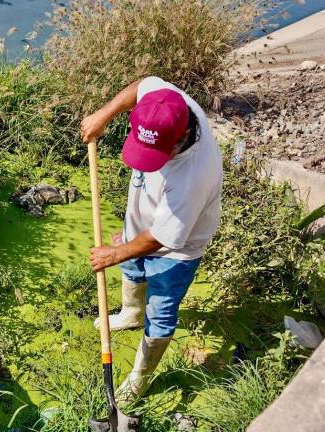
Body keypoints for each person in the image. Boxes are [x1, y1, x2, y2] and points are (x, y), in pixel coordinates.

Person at [80, 76, 223, 403]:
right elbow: (142, 85)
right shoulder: (167, 101)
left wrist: (112, 254)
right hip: (143, 217)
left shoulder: (193, 174)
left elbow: (161, 238)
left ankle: (140, 376)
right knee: (132, 267)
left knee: (160, 311)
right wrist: (104, 114)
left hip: (178, 249)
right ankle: (130, 313)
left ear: (181, 139)